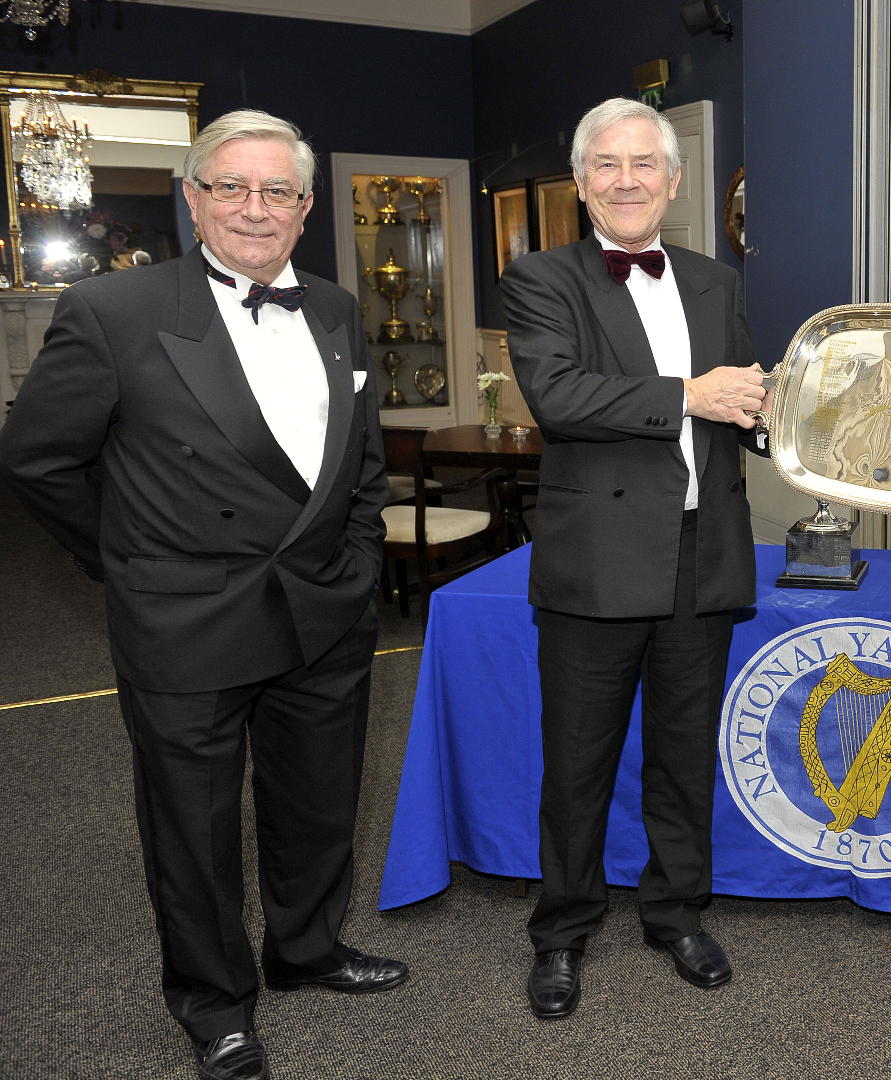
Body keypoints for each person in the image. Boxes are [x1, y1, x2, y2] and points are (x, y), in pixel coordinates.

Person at [0, 109, 405, 1080]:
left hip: (324, 604)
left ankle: (306, 949)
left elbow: (362, 460)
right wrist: (130, 559)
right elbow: (37, 458)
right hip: (184, 618)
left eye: (277, 191)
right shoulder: (112, 310)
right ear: (194, 197)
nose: (254, 209)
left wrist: (358, 559)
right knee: (193, 826)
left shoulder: (336, 307)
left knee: (318, 803)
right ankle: (214, 1002)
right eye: (232, 186)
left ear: (305, 206)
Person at [500, 97, 767, 1020]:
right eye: (606, 166)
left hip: (704, 551)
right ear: (581, 184)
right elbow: (560, 397)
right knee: (578, 761)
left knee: (685, 754)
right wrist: (692, 394)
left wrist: (795, 416)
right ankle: (562, 931)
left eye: (643, 164)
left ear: (674, 180)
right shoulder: (541, 278)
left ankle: (676, 912)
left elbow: (739, 404)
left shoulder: (715, 281)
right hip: (600, 557)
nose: (626, 181)